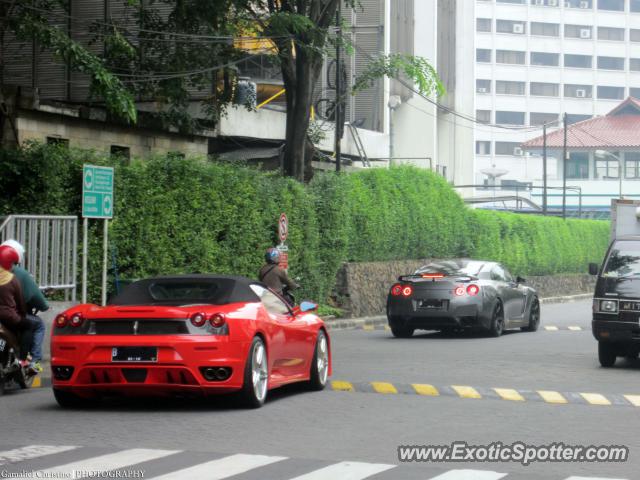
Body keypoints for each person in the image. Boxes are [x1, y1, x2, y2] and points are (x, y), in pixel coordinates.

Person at [0, 240, 48, 374]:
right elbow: (26, 300)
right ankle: (31, 361)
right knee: (35, 325)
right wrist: (21, 313)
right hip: (10, 316)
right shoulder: (16, 276)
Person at [0, 245, 31, 369]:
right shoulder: (12, 279)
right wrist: (23, 313)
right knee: (29, 326)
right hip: (9, 317)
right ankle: (22, 359)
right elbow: (20, 301)